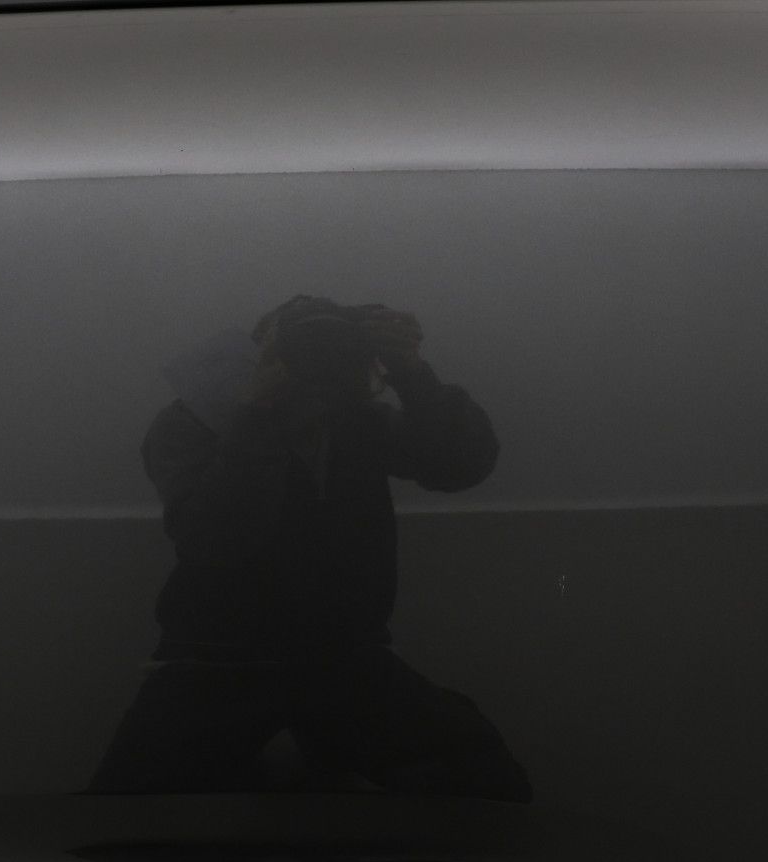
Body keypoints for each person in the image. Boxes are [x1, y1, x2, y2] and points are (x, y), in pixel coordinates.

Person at [88, 295, 531, 804]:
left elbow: (460, 465)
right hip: (215, 660)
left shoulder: (356, 422)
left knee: (489, 781)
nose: (315, 360)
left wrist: (411, 372)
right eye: (297, 347)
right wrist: (257, 416)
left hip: (342, 655)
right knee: (126, 816)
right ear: (257, 355)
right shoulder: (193, 423)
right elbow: (212, 539)